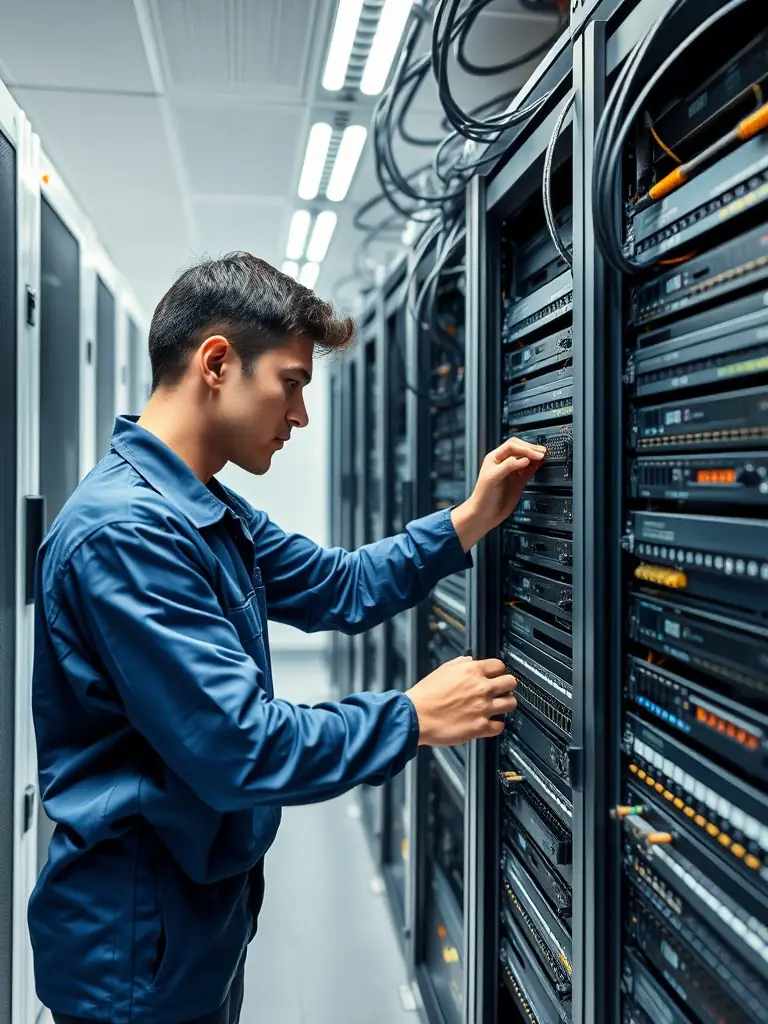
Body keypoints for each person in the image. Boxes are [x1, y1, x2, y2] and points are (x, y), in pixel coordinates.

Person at [29, 253, 545, 1024]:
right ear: (216, 362)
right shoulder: (125, 534)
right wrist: (410, 717)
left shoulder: (203, 506)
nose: (300, 416)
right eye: (292, 383)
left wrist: (466, 521)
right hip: (135, 949)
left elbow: (337, 585)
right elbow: (241, 748)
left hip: (193, 920)